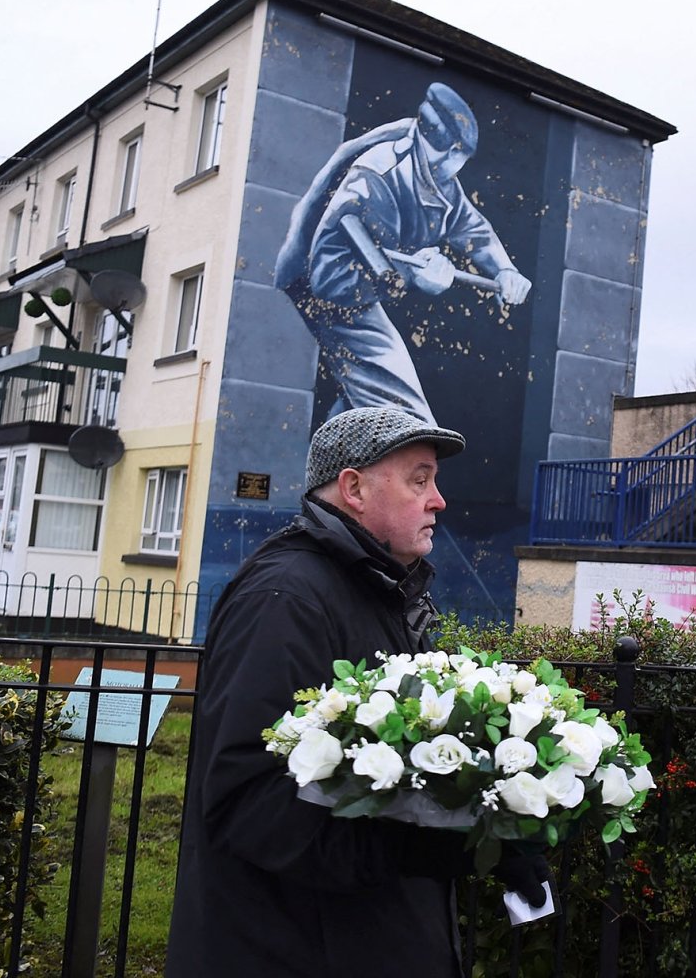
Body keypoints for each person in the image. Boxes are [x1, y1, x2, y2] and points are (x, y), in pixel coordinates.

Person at [168, 407, 549, 977]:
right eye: (419, 480)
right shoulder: (287, 598)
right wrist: (426, 846)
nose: (438, 499)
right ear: (354, 489)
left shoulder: (375, 587)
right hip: (294, 950)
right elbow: (249, 803)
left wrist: (480, 818)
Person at [274, 82, 532, 425]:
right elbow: (328, 276)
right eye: (459, 158)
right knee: (406, 416)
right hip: (320, 284)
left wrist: (504, 269)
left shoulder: (432, 170)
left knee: (367, 407)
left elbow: (471, 227)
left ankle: (334, 459)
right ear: (452, 151)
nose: (459, 168)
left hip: (353, 278)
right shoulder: (377, 176)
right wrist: (411, 277)